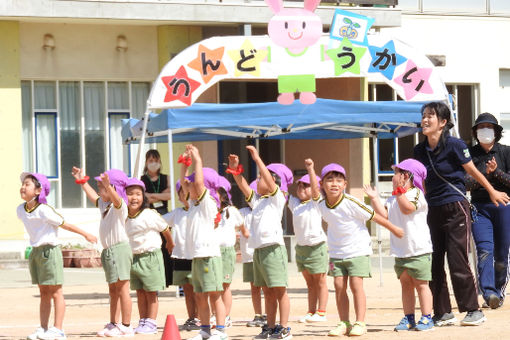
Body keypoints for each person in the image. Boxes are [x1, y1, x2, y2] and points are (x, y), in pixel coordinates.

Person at [413, 102, 509, 326]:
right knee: (434, 262)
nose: (425, 120)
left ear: (443, 122)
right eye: (424, 116)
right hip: (432, 208)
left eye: (431, 116)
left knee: (457, 261)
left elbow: (473, 171)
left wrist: (492, 190)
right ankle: (443, 312)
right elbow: (419, 180)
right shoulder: (419, 150)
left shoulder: (455, 145)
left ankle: (474, 310)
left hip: (455, 207)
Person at [306, 160, 404, 337]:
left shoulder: (351, 202)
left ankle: (360, 322)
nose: (334, 183)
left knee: (356, 285)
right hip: (336, 252)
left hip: (358, 250)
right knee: (338, 285)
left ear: (345, 185)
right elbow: (314, 191)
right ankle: (344, 322)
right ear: (322, 184)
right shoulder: (321, 203)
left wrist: (394, 229)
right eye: (329, 179)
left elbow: (374, 216)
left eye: (338, 180)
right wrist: (311, 169)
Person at [18, 172, 97, 340]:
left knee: (56, 292)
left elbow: (65, 225)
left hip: (50, 251)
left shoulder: (44, 210)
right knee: (44, 292)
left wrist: (85, 234)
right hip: (36, 253)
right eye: (23, 184)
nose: (23, 187)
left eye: (28, 184)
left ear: (39, 191)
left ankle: (58, 329)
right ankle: (43, 328)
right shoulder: (21, 210)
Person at [229, 147, 293, 340]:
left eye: (261, 178)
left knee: (279, 290)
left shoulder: (277, 198)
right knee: (267, 291)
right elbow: (242, 185)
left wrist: (257, 158)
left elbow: (269, 180)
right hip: (258, 251)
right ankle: (270, 327)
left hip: (273, 249)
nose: (257, 180)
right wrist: (234, 170)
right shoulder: (258, 201)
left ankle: (284, 327)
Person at [364, 159, 434, 331]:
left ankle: (427, 318)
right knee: (406, 284)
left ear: (407, 175)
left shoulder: (416, 193)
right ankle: (409, 317)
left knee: (421, 284)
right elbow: (385, 215)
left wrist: (400, 191)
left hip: (418, 249)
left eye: (396, 173)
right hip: (401, 250)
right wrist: (374, 199)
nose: (393, 176)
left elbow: (407, 209)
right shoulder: (395, 196)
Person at [71, 167, 134, 336]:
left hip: (119, 250)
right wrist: (82, 181)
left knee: (122, 289)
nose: (99, 189)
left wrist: (109, 187)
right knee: (113, 290)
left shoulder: (120, 206)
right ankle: (114, 323)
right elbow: (93, 196)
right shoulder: (104, 205)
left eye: (102, 186)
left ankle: (126, 325)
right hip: (108, 252)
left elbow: (117, 199)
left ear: (112, 187)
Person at [180, 145, 228, 340]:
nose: (188, 186)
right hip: (198, 257)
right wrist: (185, 162)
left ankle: (221, 330)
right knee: (200, 295)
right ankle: (205, 330)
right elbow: (183, 183)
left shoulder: (207, 201)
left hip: (209, 256)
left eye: (193, 184)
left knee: (214, 294)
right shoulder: (193, 204)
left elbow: (197, 182)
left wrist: (198, 160)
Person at [465, 113, 510, 309]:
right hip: (479, 208)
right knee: (484, 251)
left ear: (496, 131)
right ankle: (488, 292)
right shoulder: (469, 154)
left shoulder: (506, 152)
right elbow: (465, 183)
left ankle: (499, 290)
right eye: (481, 127)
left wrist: (497, 173)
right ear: (475, 132)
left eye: (489, 126)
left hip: (504, 207)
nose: (485, 130)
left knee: (501, 253)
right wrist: (484, 173)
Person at [124, 177, 174, 335]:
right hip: (134, 258)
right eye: (130, 194)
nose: (134, 198)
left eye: (138, 194)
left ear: (143, 197)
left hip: (150, 256)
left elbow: (165, 228)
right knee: (140, 291)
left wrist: (170, 243)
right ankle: (143, 320)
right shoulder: (124, 216)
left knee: (151, 291)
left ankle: (151, 322)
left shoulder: (149, 214)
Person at [287, 169, 328, 324]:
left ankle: (321, 312)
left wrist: (311, 169)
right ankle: (311, 311)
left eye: (306, 186)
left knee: (320, 281)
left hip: (317, 246)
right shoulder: (296, 204)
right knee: (310, 283)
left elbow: (316, 191)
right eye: (300, 186)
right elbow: (280, 192)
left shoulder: (316, 203)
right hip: (301, 248)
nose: (301, 188)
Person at [163, 180, 199, 331]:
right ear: (179, 197)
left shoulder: (198, 210)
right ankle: (192, 317)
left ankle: (200, 317)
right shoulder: (177, 213)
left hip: (196, 256)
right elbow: (160, 222)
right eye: (182, 193)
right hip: (180, 256)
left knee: (198, 290)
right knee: (187, 290)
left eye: (188, 192)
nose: (186, 195)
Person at [140, 149, 174, 288]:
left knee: (166, 247)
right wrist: (160, 194)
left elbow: (170, 195)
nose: (153, 163)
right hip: (148, 214)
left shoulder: (166, 178)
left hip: (163, 214)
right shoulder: (142, 179)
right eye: (150, 161)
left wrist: (153, 195)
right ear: (146, 162)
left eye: (156, 160)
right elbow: (143, 196)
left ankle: (168, 279)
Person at [215, 176, 244, 329]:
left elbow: (241, 224)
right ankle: (217, 315)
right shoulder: (209, 210)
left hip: (226, 252)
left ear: (223, 195)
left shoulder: (231, 210)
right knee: (214, 286)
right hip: (212, 251)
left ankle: (226, 316)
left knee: (224, 285)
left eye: (215, 193)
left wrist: (245, 234)